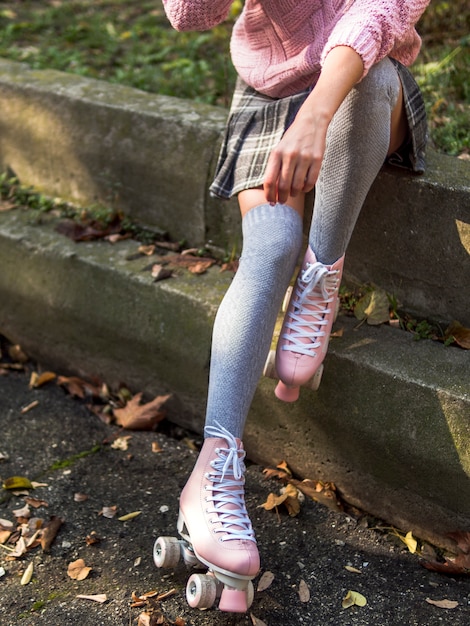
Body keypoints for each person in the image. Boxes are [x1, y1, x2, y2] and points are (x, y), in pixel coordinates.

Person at [158, 0, 429, 612]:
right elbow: (188, 16)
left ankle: (321, 274)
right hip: (268, 88)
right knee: (272, 246)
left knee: (374, 76)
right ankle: (213, 472)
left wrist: (317, 115)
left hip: (360, 86)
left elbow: (380, 14)